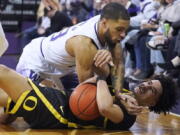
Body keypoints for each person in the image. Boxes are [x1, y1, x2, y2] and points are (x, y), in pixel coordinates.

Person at [0, 64, 177, 129]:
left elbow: (105, 108)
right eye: (149, 82)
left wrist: (101, 76)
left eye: (152, 91)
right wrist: (110, 84)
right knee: (4, 110)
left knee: (3, 72)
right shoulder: (121, 88)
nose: (145, 85)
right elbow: (82, 88)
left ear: (153, 103)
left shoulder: (128, 117)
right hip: (56, 99)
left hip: (54, 110)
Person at [16, 3, 129, 96]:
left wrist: (120, 95)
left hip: (64, 68)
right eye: (119, 30)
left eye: (125, 30)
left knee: (71, 109)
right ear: (103, 23)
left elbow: (118, 65)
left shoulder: (107, 24)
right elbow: (86, 89)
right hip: (37, 58)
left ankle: (49, 90)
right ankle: (44, 89)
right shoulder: (85, 43)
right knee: (12, 111)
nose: (123, 35)